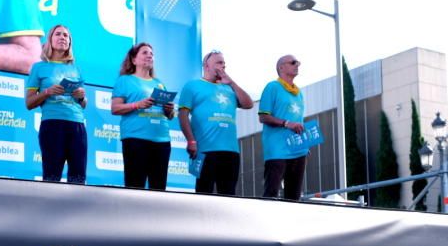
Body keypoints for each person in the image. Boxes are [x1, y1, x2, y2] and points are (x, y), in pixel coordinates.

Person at [179, 50, 254, 195]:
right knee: (204, 192)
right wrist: (191, 141)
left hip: (231, 151)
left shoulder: (229, 88)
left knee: (228, 195)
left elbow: (248, 104)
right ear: (206, 65)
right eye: (219, 62)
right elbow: (183, 115)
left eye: (224, 63)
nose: (223, 66)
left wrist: (231, 83)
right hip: (205, 149)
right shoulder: (192, 85)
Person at [25, 25, 88, 184]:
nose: (62, 37)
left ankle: (76, 209)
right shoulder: (39, 67)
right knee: (52, 177)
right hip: (52, 125)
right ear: (50, 40)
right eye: (58, 34)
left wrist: (81, 97)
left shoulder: (76, 69)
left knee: (78, 178)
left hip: (77, 126)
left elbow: (84, 104)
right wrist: (47, 92)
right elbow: (29, 103)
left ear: (69, 42)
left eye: (66, 35)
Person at [111, 43, 176, 190]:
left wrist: (169, 110)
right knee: (135, 186)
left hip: (162, 141)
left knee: (159, 189)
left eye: (151, 54)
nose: (149, 55)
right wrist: (137, 105)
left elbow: (170, 116)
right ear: (134, 60)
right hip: (136, 140)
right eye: (145, 52)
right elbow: (115, 108)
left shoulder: (159, 84)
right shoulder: (125, 80)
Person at [258, 55, 310, 200]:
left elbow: (299, 120)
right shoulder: (272, 87)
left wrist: (305, 142)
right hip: (277, 150)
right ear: (281, 67)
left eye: (298, 63)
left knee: (294, 197)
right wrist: (286, 123)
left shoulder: (298, 93)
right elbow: (263, 116)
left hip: (298, 149)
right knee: (271, 194)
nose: (297, 65)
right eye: (293, 63)